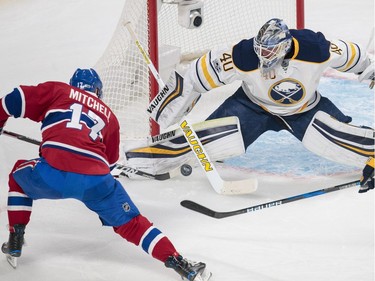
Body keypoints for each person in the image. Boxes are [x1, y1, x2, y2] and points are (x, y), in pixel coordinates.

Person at [0, 68, 212, 281]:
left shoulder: (59, 91)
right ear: (98, 91)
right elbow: (109, 163)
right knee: (132, 223)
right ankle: (181, 264)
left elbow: (14, 98)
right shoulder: (109, 115)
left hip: (54, 174)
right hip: (97, 180)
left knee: (17, 178)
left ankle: (15, 239)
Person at [145, 18, 374, 192]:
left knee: (335, 138)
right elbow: (194, 75)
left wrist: (370, 69)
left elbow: (353, 56)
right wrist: (166, 109)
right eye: (261, 49)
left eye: (270, 50)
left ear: (285, 46)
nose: (263, 55)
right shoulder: (243, 55)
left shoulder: (315, 48)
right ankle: (146, 159)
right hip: (251, 107)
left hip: (306, 109)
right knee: (210, 141)